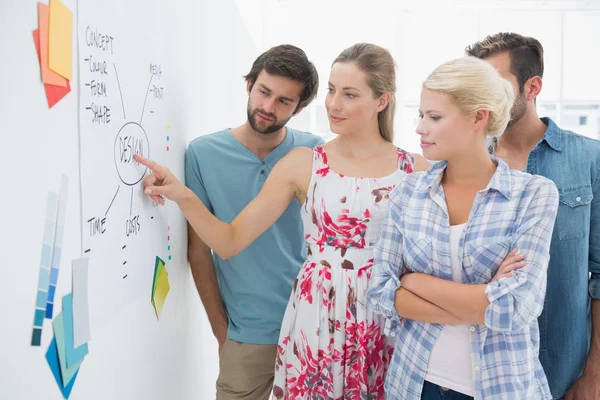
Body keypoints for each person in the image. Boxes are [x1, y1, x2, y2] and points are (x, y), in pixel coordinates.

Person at [135, 43, 429, 399]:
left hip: (385, 326)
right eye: (333, 91)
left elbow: (432, 260)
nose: (334, 104)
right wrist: (181, 193)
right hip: (309, 322)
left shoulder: (417, 171)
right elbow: (226, 242)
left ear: (382, 100)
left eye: (349, 94)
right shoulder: (304, 161)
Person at [368, 56, 559, 399]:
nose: (420, 127)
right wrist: (481, 302)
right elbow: (381, 290)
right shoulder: (408, 192)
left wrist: (414, 282)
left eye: (435, 117)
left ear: (478, 117)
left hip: (500, 387)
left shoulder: (532, 194)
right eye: (422, 114)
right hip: (415, 383)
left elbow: (516, 307)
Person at [184, 44, 323, 400]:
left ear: (300, 108)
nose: (268, 107)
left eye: (284, 102)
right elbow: (199, 253)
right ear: (249, 84)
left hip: (313, 326)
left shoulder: (313, 151)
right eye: (264, 92)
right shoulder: (203, 154)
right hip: (246, 335)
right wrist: (220, 330)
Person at [467, 32, 600, 400]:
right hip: (484, 373)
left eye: (496, 84)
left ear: (532, 86)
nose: (485, 98)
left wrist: (594, 375)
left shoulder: (591, 159)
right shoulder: (465, 163)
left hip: (565, 372)